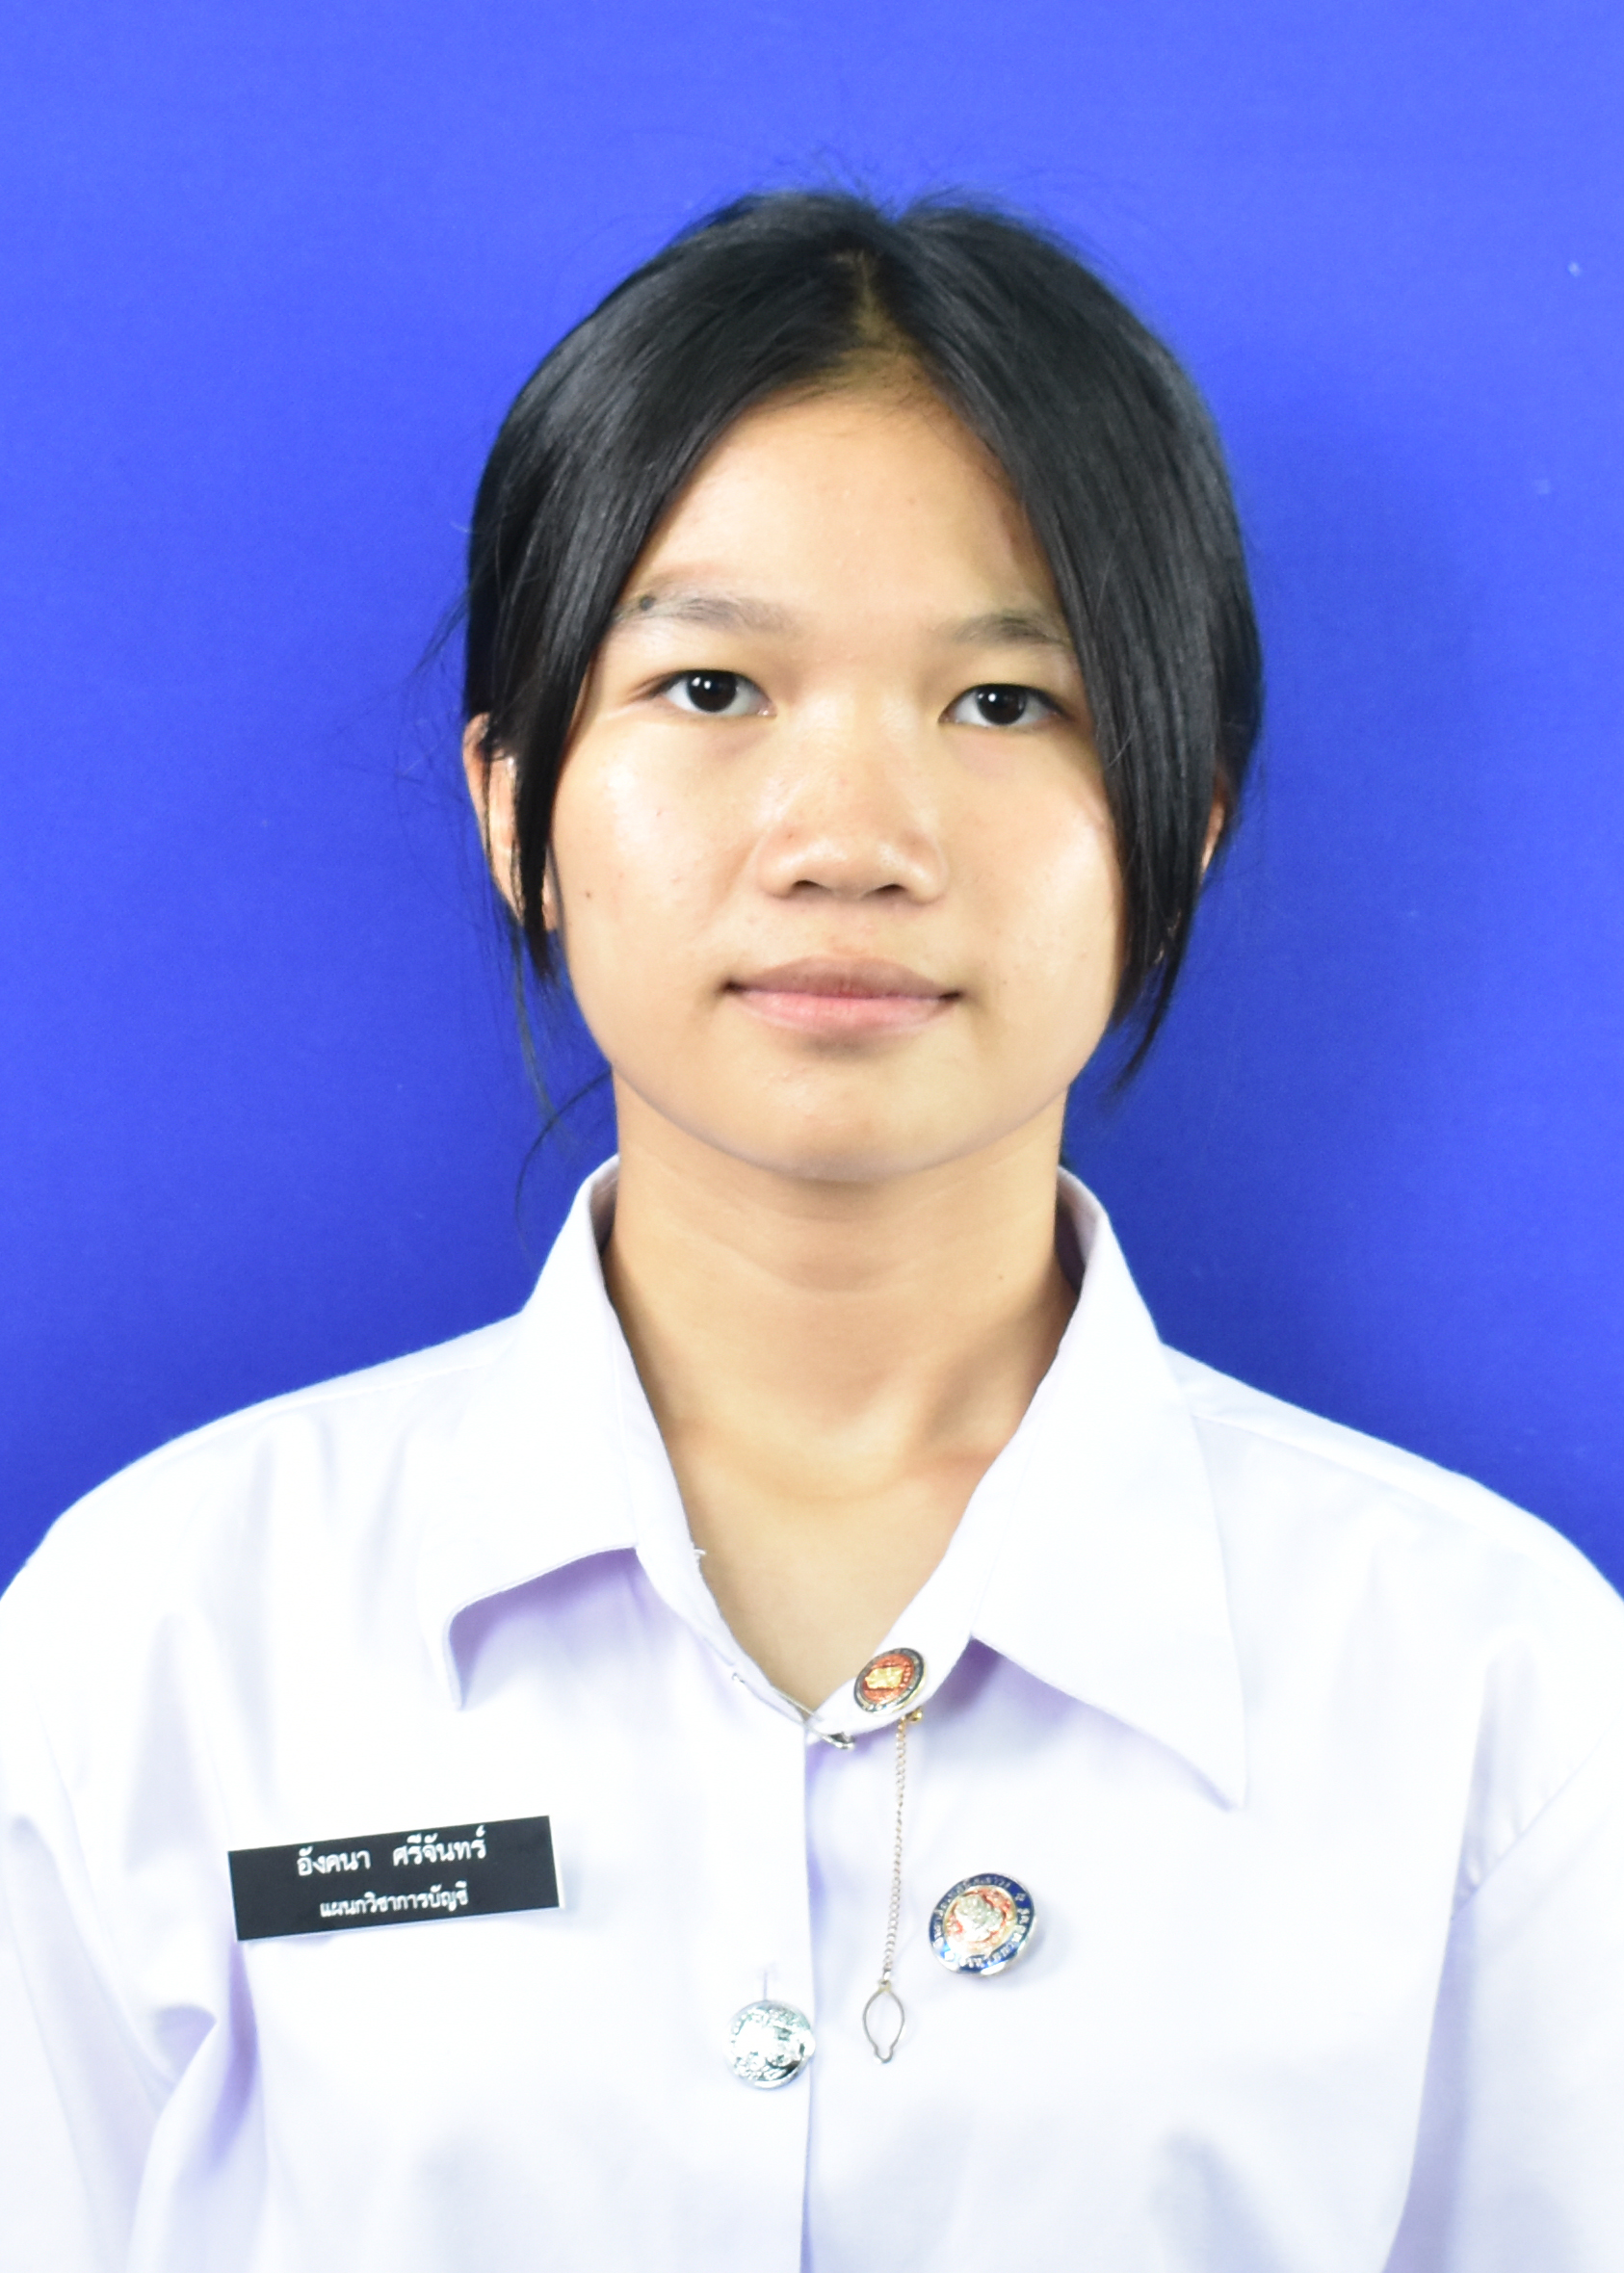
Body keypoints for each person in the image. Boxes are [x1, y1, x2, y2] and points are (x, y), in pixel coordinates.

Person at [2, 190, 1621, 2273]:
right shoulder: (156, 1639)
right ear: (513, 807)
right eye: (710, 687)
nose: (850, 839)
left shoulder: (1491, 1693)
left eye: (1004, 703)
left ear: (1184, 822)